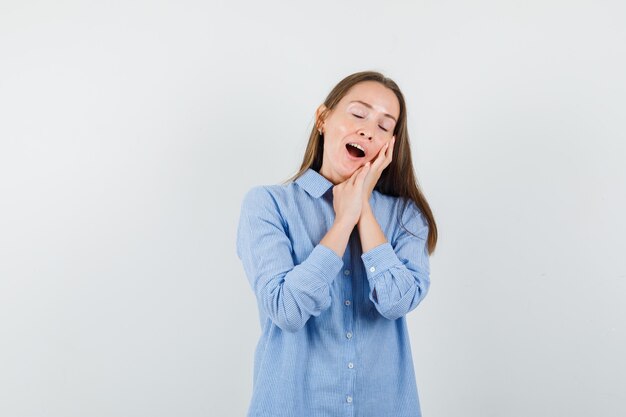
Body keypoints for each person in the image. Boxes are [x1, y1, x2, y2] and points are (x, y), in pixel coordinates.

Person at [236, 70, 438, 417]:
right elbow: (286, 310)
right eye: (358, 114)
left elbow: (396, 302)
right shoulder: (267, 205)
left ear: (390, 145)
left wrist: (363, 210)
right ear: (323, 119)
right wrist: (343, 221)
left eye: (384, 125)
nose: (368, 130)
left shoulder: (406, 216)